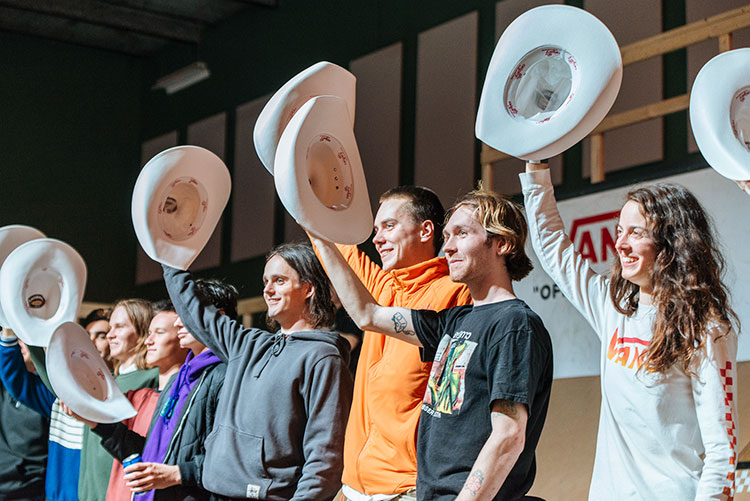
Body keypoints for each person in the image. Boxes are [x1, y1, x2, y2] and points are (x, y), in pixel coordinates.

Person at [311, 188, 553, 500]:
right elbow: (367, 315)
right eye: (447, 235)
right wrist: (311, 216)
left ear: (502, 243)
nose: (448, 247)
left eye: (462, 233)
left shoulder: (514, 324)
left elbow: (508, 435)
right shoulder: (455, 320)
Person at [520, 161, 738, 499]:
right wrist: (536, 166)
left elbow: (723, 451)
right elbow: (553, 248)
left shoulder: (706, 328)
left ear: (673, 243)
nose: (620, 244)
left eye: (636, 233)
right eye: (619, 231)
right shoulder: (612, 307)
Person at [161, 242, 353, 500]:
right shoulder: (248, 343)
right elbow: (198, 314)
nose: (268, 290)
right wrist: (169, 258)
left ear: (308, 288)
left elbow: (325, 456)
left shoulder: (323, 357)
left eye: (279, 280)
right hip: (214, 493)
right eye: (266, 281)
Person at [318, 186, 471, 501]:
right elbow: (331, 243)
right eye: (376, 229)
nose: (377, 239)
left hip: (409, 487)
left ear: (426, 230)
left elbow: (454, 397)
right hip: (353, 487)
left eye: (389, 226)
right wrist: (306, 191)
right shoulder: (382, 286)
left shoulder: (456, 294)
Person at [88, 279, 236, 501]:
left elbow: (235, 459)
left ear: (220, 318)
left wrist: (177, 474)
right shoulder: (181, 379)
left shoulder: (227, 375)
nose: (179, 323)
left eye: (187, 311)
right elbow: (151, 453)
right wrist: (97, 423)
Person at [0, 308, 114, 501]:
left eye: (101, 336)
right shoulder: (60, 393)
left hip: (37, 490)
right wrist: (10, 320)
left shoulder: (133, 392)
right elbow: (14, 375)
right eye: (86, 336)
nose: (92, 342)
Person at [77, 299, 159, 501]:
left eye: (119, 327)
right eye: (110, 327)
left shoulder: (154, 379)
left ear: (143, 332)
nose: (111, 334)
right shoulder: (108, 381)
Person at [0, 332, 48, 501]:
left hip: (29, 488)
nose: (19, 343)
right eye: (16, 338)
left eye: (25, 337)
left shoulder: (50, 392)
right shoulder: (5, 384)